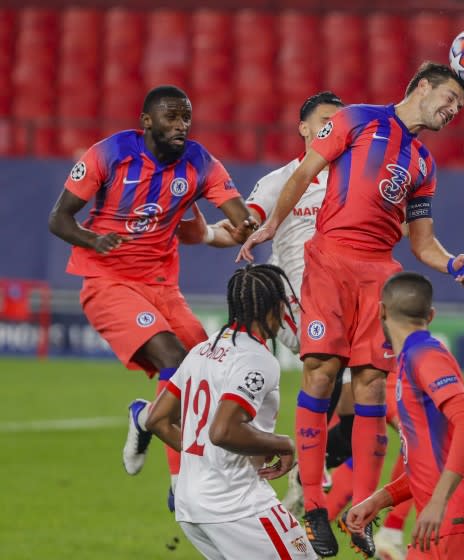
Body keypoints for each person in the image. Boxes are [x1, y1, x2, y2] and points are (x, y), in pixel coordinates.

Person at [236, 62, 464, 558]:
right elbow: (305, 171)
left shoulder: (424, 166)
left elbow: (423, 243)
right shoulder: (356, 119)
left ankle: (360, 513)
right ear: (422, 86)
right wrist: (269, 225)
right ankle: (313, 507)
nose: (453, 110)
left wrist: (450, 260)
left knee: (371, 385)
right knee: (320, 374)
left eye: (461, 106)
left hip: (380, 272)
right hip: (330, 258)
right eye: (450, 98)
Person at [46, 85, 256, 506]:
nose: (181, 126)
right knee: (175, 359)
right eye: (172, 117)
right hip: (108, 282)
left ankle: (144, 416)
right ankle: (182, 483)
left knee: (206, 367)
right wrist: (92, 240)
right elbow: (59, 218)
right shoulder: (109, 154)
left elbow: (235, 210)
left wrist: (248, 225)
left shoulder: (198, 161)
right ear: (146, 121)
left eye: (186, 119)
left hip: (162, 286)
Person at [180, 91, 355, 516]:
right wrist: (205, 234)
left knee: (351, 422)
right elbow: (244, 227)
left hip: (344, 305)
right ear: (304, 128)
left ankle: (301, 468)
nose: (334, 128)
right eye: (326, 120)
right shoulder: (283, 180)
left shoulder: (356, 179)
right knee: (336, 376)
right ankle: (301, 471)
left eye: (340, 121)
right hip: (297, 304)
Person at [145, 264, 318, 559]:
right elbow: (224, 431)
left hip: (193, 508)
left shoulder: (202, 350)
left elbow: (157, 420)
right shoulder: (256, 358)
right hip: (238, 505)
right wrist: (284, 444)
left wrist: (207, 458)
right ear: (275, 308)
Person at [345, 272, 464, 559]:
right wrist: (379, 501)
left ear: (381, 310)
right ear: (431, 315)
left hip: (460, 524)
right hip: (439, 526)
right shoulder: (410, 359)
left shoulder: (425, 355)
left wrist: (438, 502)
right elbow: (428, 464)